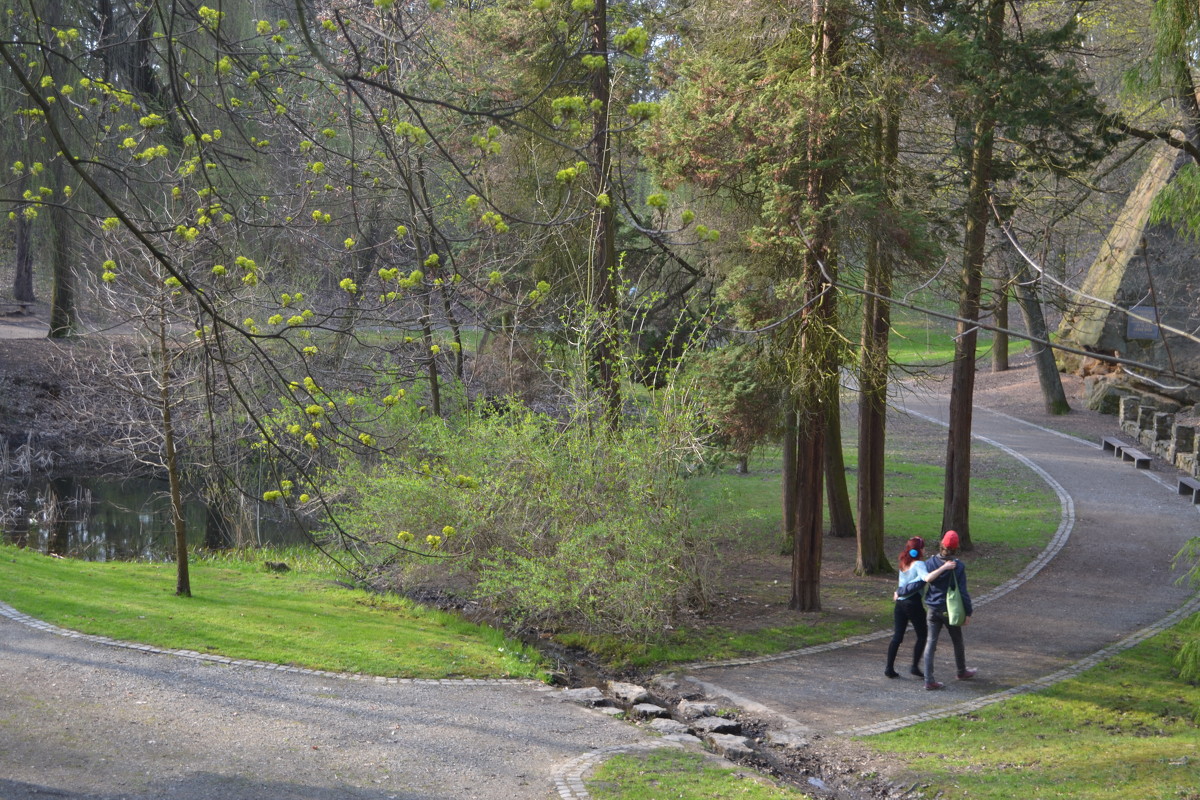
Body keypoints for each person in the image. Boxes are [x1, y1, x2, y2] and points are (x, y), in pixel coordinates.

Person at [885, 536, 957, 679]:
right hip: (913, 604)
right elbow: (928, 578)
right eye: (923, 547)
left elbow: (903, 585)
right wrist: (945, 567)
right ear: (919, 550)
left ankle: (889, 668)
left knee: (897, 636)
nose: (924, 549)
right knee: (922, 635)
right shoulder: (918, 564)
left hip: (900, 603)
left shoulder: (903, 563)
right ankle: (914, 667)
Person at [919, 529, 975, 690]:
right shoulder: (958, 567)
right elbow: (963, 592)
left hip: (932, 608)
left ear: (941, 544)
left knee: (931, 643)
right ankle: (961, 671)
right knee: (957, 640)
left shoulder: (930, 563)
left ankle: (929, 679)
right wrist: (968, 612)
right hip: (951, 610)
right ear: (956, 547)